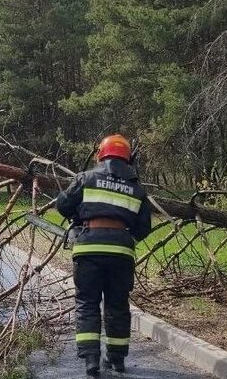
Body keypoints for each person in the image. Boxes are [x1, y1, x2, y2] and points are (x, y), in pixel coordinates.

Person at [56, 134, 152, 377]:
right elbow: (143, 228)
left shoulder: (86, 178)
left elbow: (63, 206)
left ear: (101, 154)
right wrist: (123, 236)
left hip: (88, 248)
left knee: (87, 303)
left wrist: (80, 215)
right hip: (121, 252)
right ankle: (116, 359)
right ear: (128, 158)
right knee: (117, 305)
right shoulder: (137, 189)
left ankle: (90, 360)